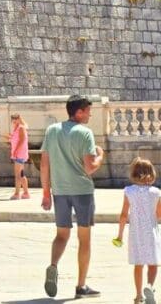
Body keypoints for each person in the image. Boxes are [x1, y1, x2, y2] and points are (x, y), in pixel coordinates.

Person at [41, 94, 105, 299]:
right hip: (82, 191)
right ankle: (81, 285)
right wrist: (101, 156)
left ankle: (53, 265)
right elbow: (89, 168)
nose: (90, 114)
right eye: (87, 110)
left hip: (59, 191)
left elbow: (44, 164)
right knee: (84, 238)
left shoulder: (52, 131)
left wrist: (45, 193)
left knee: (61, 235)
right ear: (79, 112)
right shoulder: (85, 133)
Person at [115, 158, 161, 304]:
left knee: (138, 265)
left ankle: (138, 295)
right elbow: (159, 214)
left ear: (133, 174)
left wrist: (120, 235)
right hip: (151, 233)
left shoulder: (129, 191)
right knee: (153, 264)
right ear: (151, 174)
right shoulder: (156, 192)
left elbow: (123, 215)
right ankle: (150, 286)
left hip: (136, 235)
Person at [9, 113, 31, 200]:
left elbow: (22, 140)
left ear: (19, 119)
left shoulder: (21, 127)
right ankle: (26, 193)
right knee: (21, 174)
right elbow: (16, 139)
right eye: (13, 119)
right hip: (19, 154)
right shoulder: (17, 128)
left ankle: (17, 194)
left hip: (19, 154)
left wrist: (15, 151)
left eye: (15, 119)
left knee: (18, 174)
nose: (14, 120)